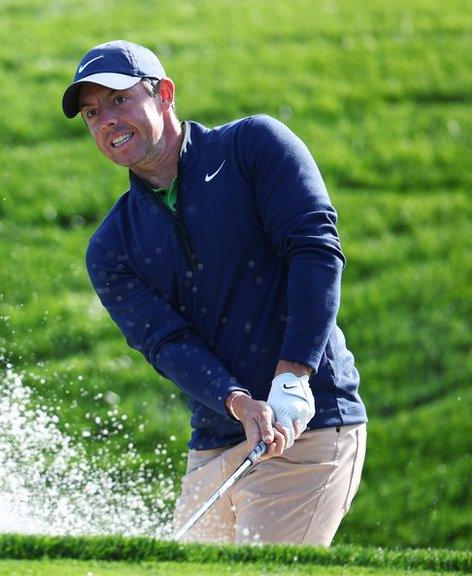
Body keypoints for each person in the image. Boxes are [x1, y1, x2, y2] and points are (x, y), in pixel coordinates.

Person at [62, 40, 367, 546]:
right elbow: (167, 343)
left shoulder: (253, 147)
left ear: (164, 94)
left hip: (306, 426)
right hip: (215, 442)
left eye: (118, 100)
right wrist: (238, 402)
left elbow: (315, 251)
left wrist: (293, 376)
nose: (106, 121)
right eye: (93, 114)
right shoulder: (112, 246)